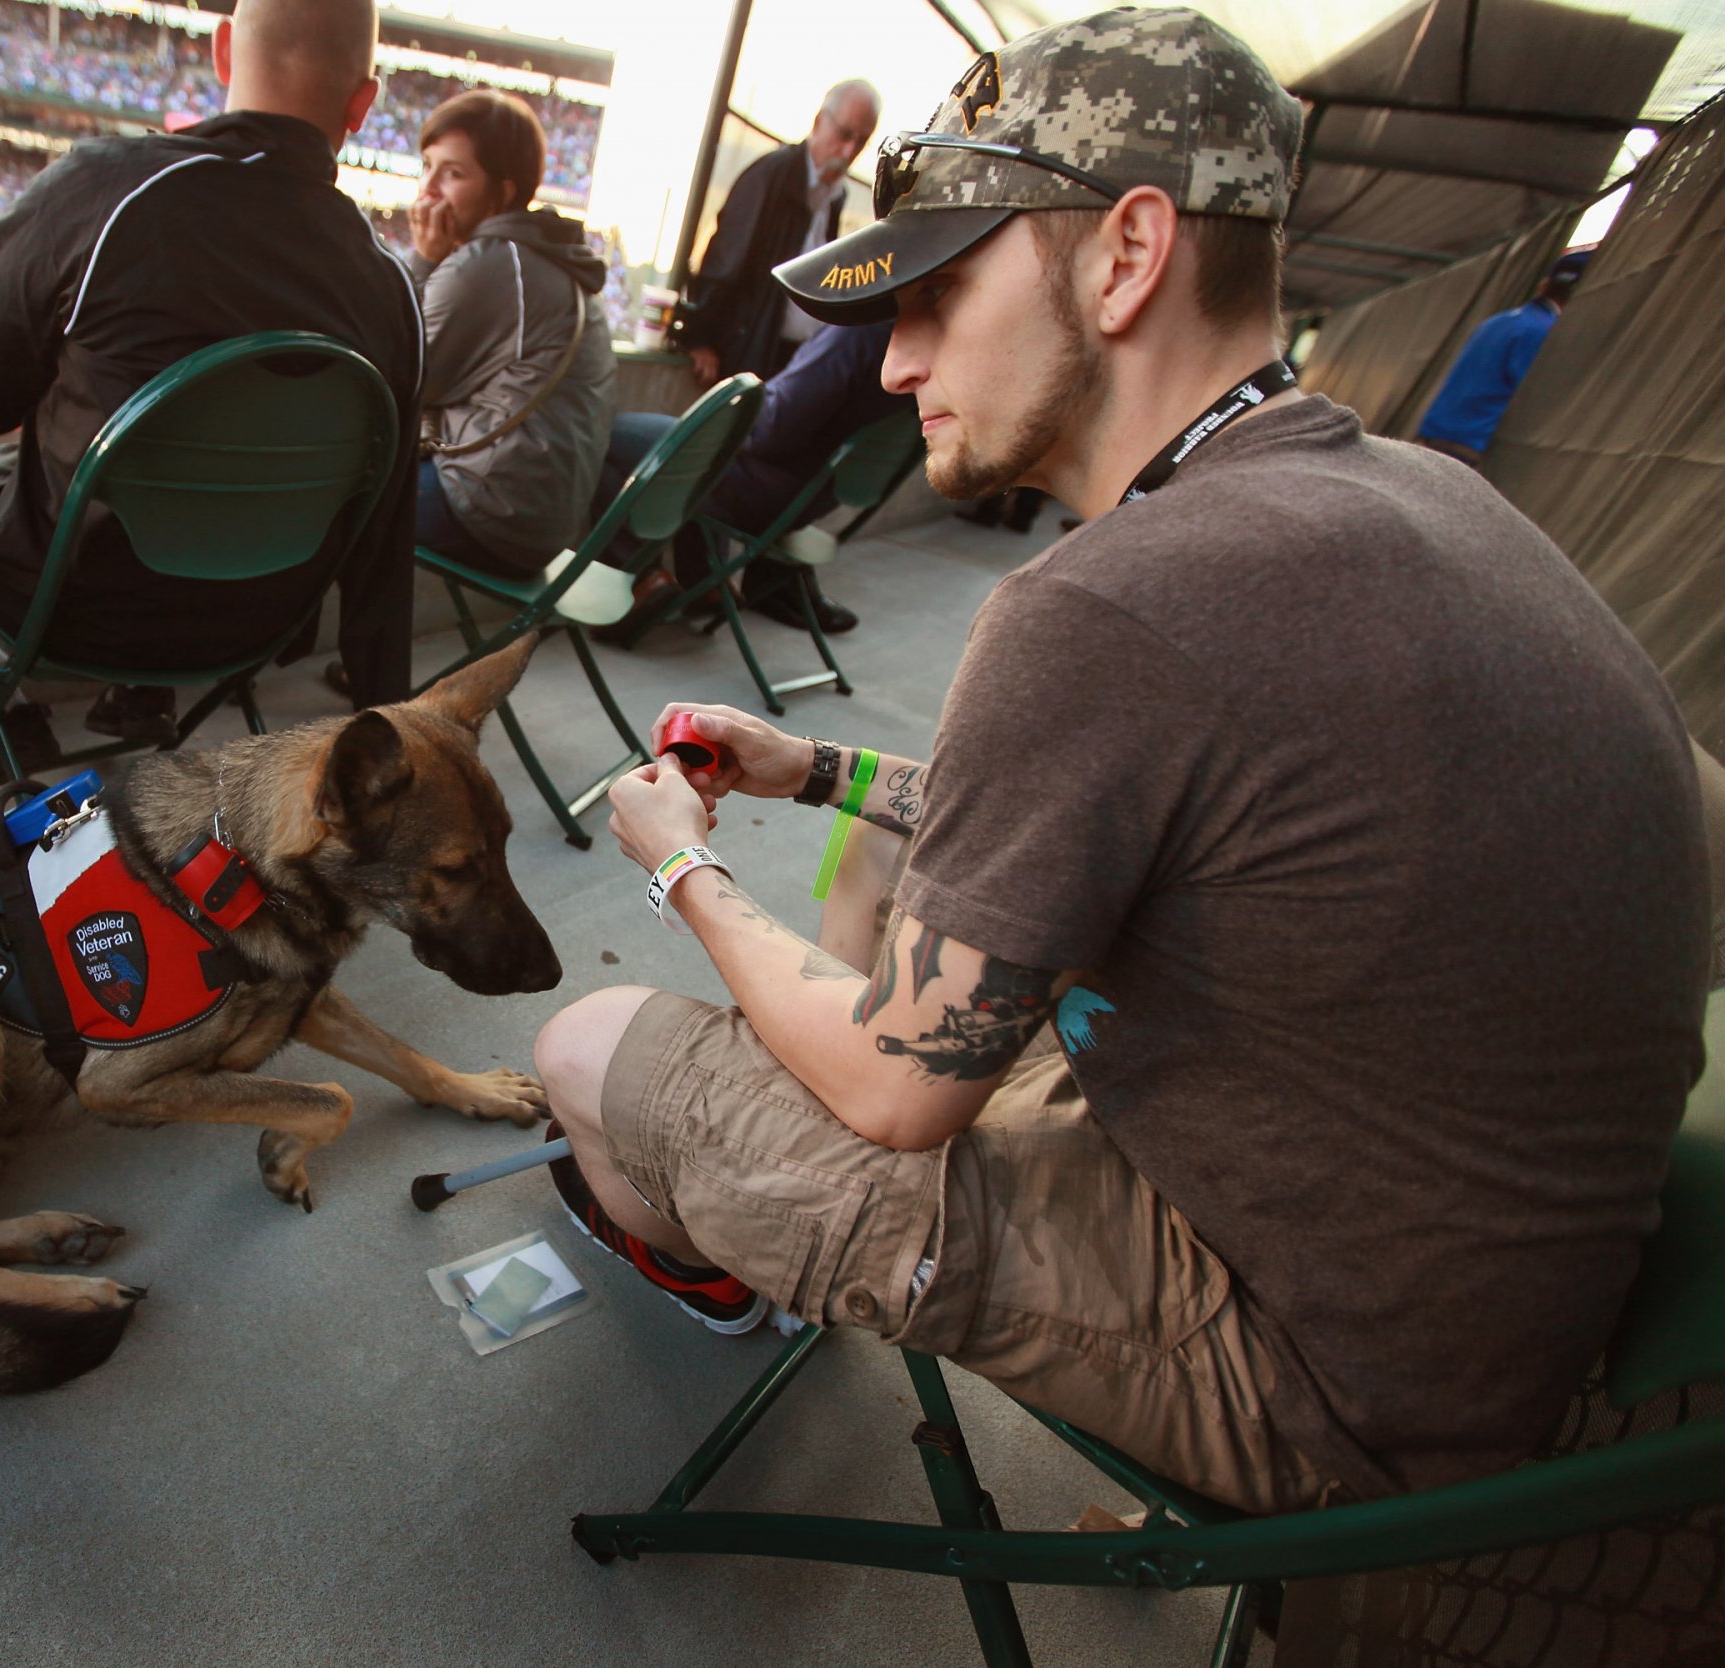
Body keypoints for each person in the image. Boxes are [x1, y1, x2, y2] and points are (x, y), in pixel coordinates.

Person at [530, 7, 1706, 1518]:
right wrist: (811, 770)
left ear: (1128, 255)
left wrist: (682, 864)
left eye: (940, 293)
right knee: (894, 851)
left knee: (588, 1047)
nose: (894, 365)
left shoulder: (1104, 609)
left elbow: (899, 1097)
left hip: (1325, 1380)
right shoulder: (1405, 487)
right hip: (1460, 1277)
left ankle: (740, 1251)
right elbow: (1110, 811)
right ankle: (797, 1117)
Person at [0, 0, 421, 754]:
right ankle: (140, 695)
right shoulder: (392, 290)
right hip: (259, 621)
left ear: (224, 51)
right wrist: (384, 741)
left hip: (72, 597)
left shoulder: (108, 186)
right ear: (364, 103)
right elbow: (382, 546)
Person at [668, 80, 879, 635]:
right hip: (749, 346)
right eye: (843, 133)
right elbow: (725, 258)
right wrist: (699, 336)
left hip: (793, 352)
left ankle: (751, 581)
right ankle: (706, 584)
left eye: (860, 140)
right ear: (819, 122)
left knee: (762, 457)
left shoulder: (832, 196)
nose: (848, 149)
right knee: (721, 454)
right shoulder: (769, 176)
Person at [405, 88, 615, 579]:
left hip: (492, 514)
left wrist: (424, 260)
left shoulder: (489, 262)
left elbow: (403, 375)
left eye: (452, 173)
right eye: (427, 165)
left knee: (338, 496)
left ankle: (372, 658)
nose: (428, 189)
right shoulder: (538, 253)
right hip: (539, 521)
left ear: (502, 191)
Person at [594, 319, 910, 644]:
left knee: (612, 436)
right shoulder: (912, 341)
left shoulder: (857, 333)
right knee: (688, 451)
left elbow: (770, 428)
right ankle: (705, 581)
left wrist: (723, 420)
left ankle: (638, 584)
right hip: (808, 499)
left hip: (762, 489)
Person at [1415, 248, 1591, 466]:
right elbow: (1536, 397)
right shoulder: (1542, 332)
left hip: (1438, 435)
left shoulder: (1500, 321)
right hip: (1469, 447)